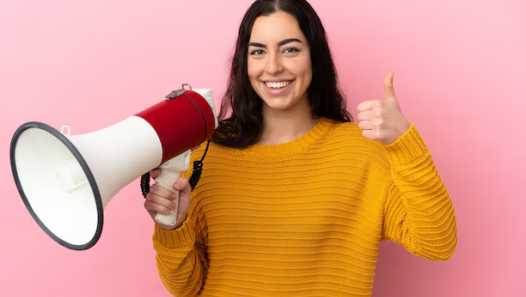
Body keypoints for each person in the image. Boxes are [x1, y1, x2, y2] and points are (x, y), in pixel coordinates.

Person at [144, 0, 458, 296]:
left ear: (315, 56)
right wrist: (172, 225)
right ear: (244, 61)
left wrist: (404, 142)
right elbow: (184, 287)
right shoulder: (205, 158)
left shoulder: (363, 153)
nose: (273, 67)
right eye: (258, 52)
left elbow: (437, 243)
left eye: (290, 49)